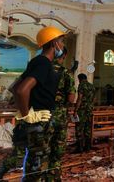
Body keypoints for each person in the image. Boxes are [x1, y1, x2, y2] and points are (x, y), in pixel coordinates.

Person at [0, 26, 65, 181]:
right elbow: (21, 91)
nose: (63, 45)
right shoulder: (44, 63)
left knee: (37, 163)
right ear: (54, 43)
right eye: (61, 41)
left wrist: (26, 109)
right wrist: (27, 115)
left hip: (39, 118)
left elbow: (14, 88)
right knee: (37, 167)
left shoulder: (37, 61)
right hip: (39, 120)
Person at [49, 47, 76, 180]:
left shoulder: (39, 68)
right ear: (63, 56)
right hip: (59, 114)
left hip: (39, 113)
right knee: (58, 145)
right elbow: (71, 98)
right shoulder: (65, 73)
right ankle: (54, 174)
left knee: (40, 147)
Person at [73, 73, 95, 152]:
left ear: (80, 79)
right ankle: (87, 147)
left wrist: (75, 110)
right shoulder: (92, 86)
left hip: (82, 110)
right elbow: (93, 99)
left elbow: (79, 98)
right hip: (89, 110)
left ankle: (79, 148)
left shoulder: (81, 85)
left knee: (79, 128)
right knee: (87, 128)